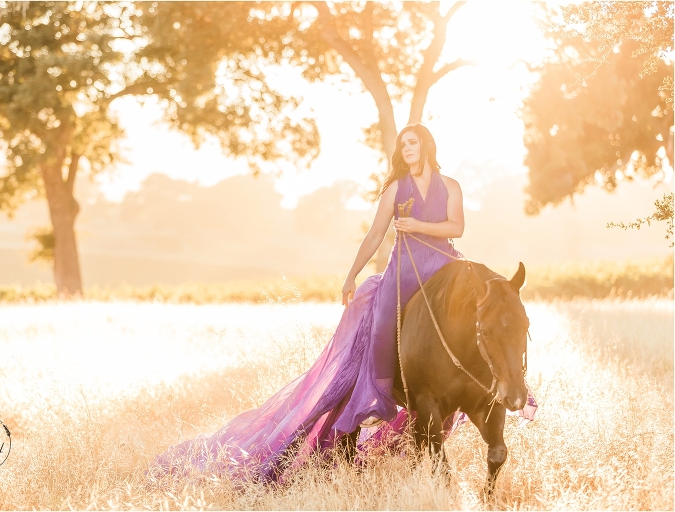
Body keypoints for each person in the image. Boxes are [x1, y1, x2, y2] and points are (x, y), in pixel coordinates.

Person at [146, 124, 492, 486]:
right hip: (404, 269)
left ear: (426, 145)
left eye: (413, 142)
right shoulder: (395, 189)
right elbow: (375, 235)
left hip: (443, 268)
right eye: (403, 143)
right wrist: (351, 275)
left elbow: (457, 228)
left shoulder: (450, 186)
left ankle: (489, 383)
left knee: (479, 317)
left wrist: (417, 223)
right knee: (380, 325)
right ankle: (378, 394)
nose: (406, 148)